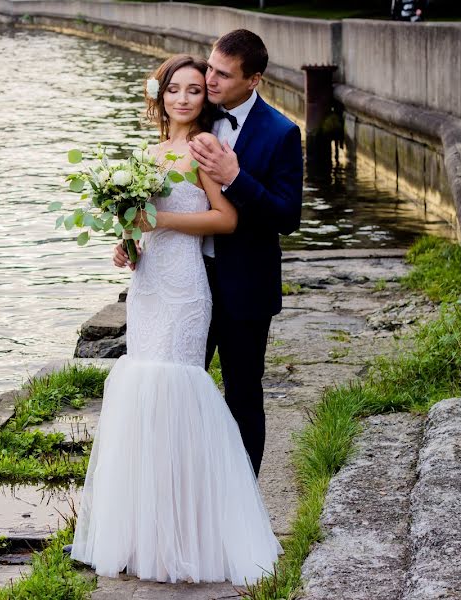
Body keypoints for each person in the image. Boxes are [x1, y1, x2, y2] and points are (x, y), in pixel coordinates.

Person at [70, 53, 282, 585]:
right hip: (148, 286)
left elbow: (226, 218)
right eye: (174, 90)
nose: (184, 99)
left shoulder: (204, 148)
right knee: (142, 393)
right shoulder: (146, 153)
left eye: (194, 90)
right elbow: (139, 227)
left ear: (204, 98)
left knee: (178, 392)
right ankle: (146, 533)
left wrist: (158, 220)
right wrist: (129, 246)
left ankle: (191, 533)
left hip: (186, 287)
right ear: (159, 95)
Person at [117, 29, 303, 477]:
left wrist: (237, 177)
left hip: (243, 286)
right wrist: (130, 239)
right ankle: (180, 493)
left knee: (242, 395)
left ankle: (242, 505)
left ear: (253, 80)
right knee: (172, 391)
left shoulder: (280, 133)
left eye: (222, 74)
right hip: (183, 279)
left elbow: (287, 217)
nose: (210, 78)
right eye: (210, 67)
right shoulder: (197, 110)